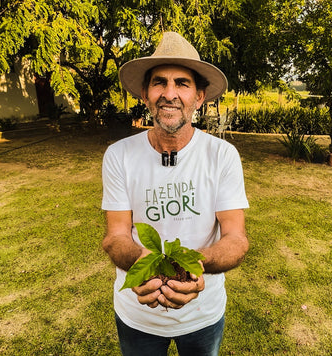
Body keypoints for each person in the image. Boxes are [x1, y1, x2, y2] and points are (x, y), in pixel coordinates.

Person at [101, 31, 249, 356]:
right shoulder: (119, 156)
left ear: (199, 96)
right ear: (145, 93)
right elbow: (115, 236)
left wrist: (195, 266)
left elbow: (236, 238)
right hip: (137, 315)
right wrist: (145, 265)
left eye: (182, 83)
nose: (170, 93)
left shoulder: (222, 156)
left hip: (203, 315)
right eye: (159, 82)